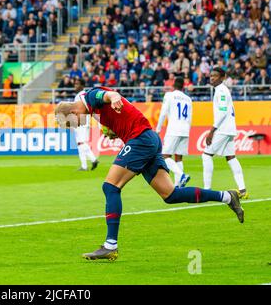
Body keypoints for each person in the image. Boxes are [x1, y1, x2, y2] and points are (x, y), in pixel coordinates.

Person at [55, 85, 244, 261]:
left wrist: (113, 98)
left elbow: (110, 94)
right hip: (149, 138)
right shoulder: (94, 109)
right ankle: (227, 196)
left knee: (110, 187)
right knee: (170, 195)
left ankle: (110, 245)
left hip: (140, 140)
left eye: (72, 123)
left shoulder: (90, 96)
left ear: (73, 112)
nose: (77, 126)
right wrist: (114, 130)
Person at [202, 67, 248, 199]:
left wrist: (212, 130)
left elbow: (222, 112)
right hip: (229, 128)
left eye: (215, 76)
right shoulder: (221, 90)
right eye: (211, 75)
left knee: (206, 155)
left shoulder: (221, 91)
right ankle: (243, 189)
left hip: (223, 129)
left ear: (222, 78)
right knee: (231, 157)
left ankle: (207, 190)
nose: (212, 78)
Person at [156, 77, 192, 187]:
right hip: (185, 130)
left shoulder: (169, 95)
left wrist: (158, 129)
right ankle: (178, 185)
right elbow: (190, 118)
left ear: (173, 85)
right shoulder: (188, 99)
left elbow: (163, 113)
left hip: (174, 129)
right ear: (183, 87)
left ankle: (181, 175)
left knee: (164, 156)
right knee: (179, 157)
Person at [73, 91, 99, 171]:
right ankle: (84, 166)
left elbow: (83, 107)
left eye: (77, 83)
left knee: (81, 143)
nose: (75, 86)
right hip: (82, 122)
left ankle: (93, 159)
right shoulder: (81, 94)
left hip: (82, 122)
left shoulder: (81, 94)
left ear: (82, 84)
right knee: (80, 144)